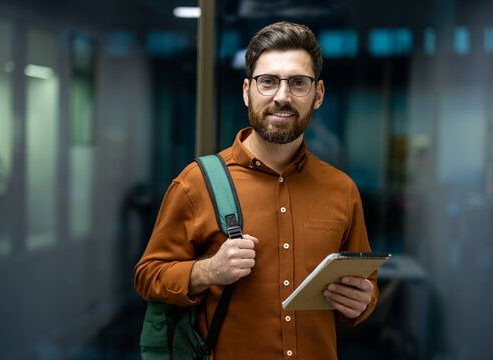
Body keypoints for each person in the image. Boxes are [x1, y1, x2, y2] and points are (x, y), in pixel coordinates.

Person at [135, 21, 378, 359]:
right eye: (268, 82)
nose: (282, 96)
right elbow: (148, 276)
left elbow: (366, 285)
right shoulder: (196, 183)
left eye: (297, 83)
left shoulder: (342, 190)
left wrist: (363, 301)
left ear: (318, 95)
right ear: (247, 91)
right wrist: (208, 271)